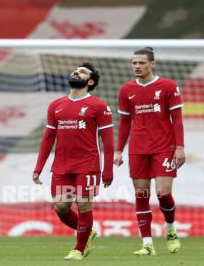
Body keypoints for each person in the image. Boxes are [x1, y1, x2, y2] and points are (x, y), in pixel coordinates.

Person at [33, 62, 114, 260]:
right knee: (61, 207)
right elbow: (47, 138)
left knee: (84, 205)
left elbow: (108, 141)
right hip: (62, 164)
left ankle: (79, 248)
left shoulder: (99, 106)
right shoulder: (56, 105)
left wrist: (108, 170)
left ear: (91, 81)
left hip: (88, 164)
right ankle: (87, 231)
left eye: (82, 72)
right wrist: (38, 167)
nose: (76, 72)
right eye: (75, 70)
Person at [114, 46, 184, 256]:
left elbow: (177, 119)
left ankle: (170, 229)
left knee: (163, 193)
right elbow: (125, 122)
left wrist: (180, 147)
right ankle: (147, 244)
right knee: (141, 193)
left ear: (152, 64)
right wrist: (118, 151)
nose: (137, 66)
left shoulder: (168, 86)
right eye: (134, 63)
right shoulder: (126, 89)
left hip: (164, 147)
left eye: (141, 63)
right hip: (138, 148)